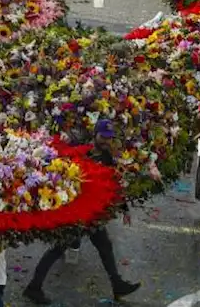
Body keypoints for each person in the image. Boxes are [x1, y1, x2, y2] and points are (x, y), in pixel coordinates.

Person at [24, 120, 141, 303]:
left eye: (109, 139)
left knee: (104, 246)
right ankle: (33, 287)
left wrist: (124, 209)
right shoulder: (81, 152)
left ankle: (117, 284)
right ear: (95, 134)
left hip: (92, 214)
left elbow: (113, 185)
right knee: (59, 248)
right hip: (76, 212)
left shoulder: (107, 157)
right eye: (103, 137)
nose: (106, 142)